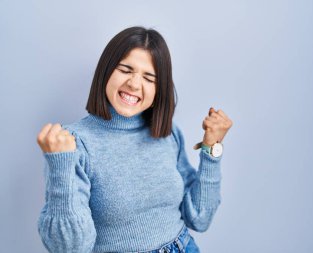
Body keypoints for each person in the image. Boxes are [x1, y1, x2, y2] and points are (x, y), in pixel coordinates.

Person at [36, 26, 233, 253]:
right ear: (107, 71)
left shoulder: (168, 133)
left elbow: (200, 217)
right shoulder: (74, 144)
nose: (134, 84)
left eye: (149, 78)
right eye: (125, 70)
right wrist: (61, 166)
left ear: (159, 89)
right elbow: (70, 248)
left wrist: (211, 149)